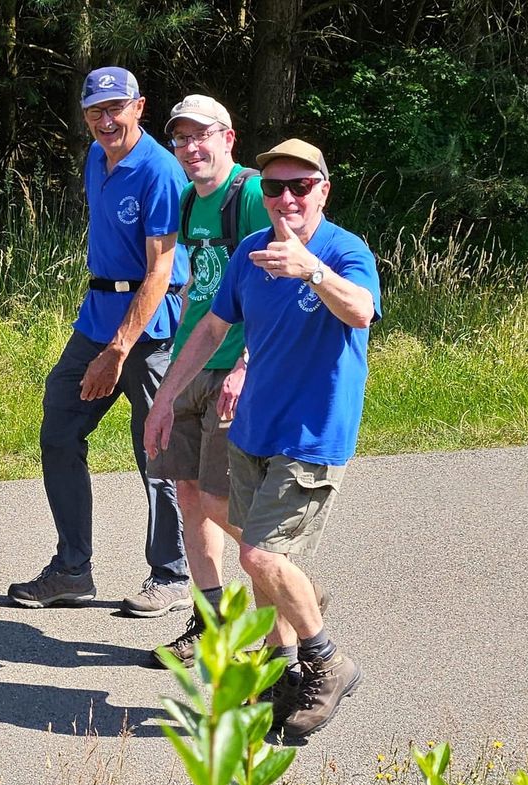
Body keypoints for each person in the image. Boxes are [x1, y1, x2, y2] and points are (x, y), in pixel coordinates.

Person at [143, 138, 381, 737]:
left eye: (299, 186)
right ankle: (279, 676)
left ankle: (327, 660)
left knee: (259, 556)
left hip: (311, 438)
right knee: (266, 565)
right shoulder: (250, 251)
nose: (285, 199)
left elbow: (359, 311)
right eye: (274, 188)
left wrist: (313, 270)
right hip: (253, 432)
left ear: (323, 190)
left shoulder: (344, 251)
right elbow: (209, 330)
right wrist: (165, 398)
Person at [8, 67, 191, 616]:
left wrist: (118, 349)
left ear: (140, 106)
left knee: (156, 445)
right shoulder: (95, 158)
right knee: (60, 426)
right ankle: (72, 569)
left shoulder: (160, 170)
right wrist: (104, 340)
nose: (106, 120)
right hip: (98, 315)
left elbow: (160, 271)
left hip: (151, 324)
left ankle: (173, 573)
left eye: (116, 108)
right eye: (95, 111)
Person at [144, 94, 270, 666]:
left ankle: (284, 588)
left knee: (222, 497)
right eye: (182, 139)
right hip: (193, 359)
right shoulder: (190, 201)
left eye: (203, 136)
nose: (192, 148)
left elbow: (277, 288)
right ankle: (212, 620)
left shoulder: (249, 196)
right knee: (188, 493)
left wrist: (247, 367)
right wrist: (167, 388)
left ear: (228, 138)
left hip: (235, 368)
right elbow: (197, 294)